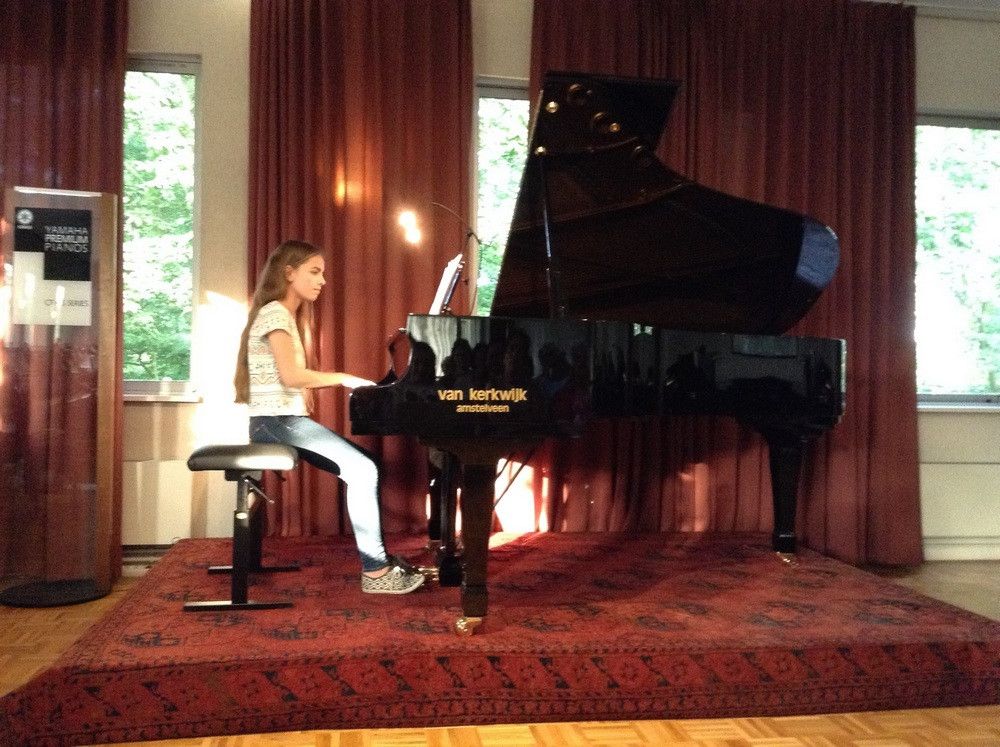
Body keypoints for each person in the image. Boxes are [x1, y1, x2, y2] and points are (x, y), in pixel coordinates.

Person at [233, 239, 425, 594]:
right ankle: (376, 573)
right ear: (289, 273)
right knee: (363, 470)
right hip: (276, 423)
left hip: (279, 421)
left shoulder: (280, 314)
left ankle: (379, 561)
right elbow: (292, 377)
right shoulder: (276, 313)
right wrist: (344, 378)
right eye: (314, 272)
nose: (322, 280)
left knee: (365, 464)